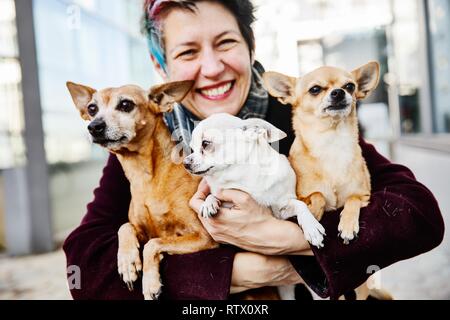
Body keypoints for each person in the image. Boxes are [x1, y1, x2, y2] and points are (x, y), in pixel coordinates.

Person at [63, 0, 444, 300]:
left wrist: (293, 242)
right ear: (161, 65)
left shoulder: (304, 117)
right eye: (188, 52)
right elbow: (85, 270)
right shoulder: (149, 141)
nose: (212, 68)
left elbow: (418, 216)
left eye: (226, 42)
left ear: (250, 46)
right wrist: (245, 271)